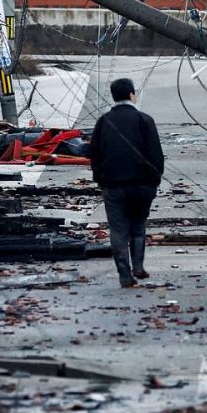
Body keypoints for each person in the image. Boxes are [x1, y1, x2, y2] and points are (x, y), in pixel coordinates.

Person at [87, 77, 164, 288]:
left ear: (113, 96)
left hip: (113, 186)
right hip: (142, 185)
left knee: (118, 229)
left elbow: (94, 154)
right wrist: (154, 181)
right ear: (132, 94)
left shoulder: (103, 122)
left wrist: (100, 179)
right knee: (138, 225)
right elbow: (156, 155)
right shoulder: (145, 120)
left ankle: (124, 274)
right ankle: (138, 266)